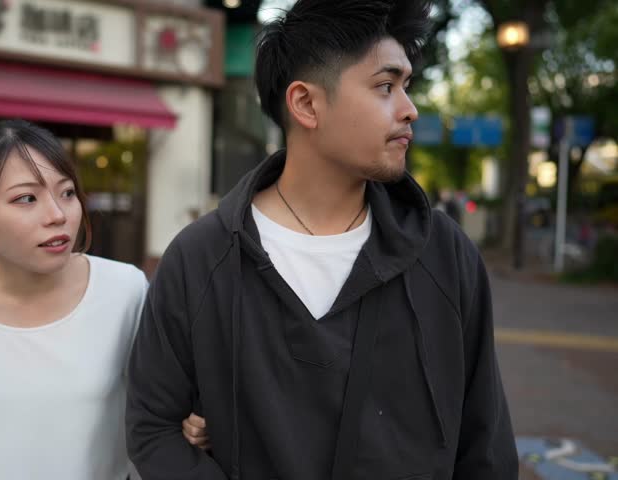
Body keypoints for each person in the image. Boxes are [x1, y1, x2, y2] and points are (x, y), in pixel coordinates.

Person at [126, 1, 518, 478]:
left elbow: (486, 446)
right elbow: (153, 428)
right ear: (307, 104)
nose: (410, 110)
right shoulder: (201, 258)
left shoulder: (444, 254)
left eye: (407, 87)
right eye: (385, 86)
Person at [0, 119, 205, 480]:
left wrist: (194, 423)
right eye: (26, 198)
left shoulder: (125, 289)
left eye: (67, 193)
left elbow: (158, 420)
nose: (58, 215)